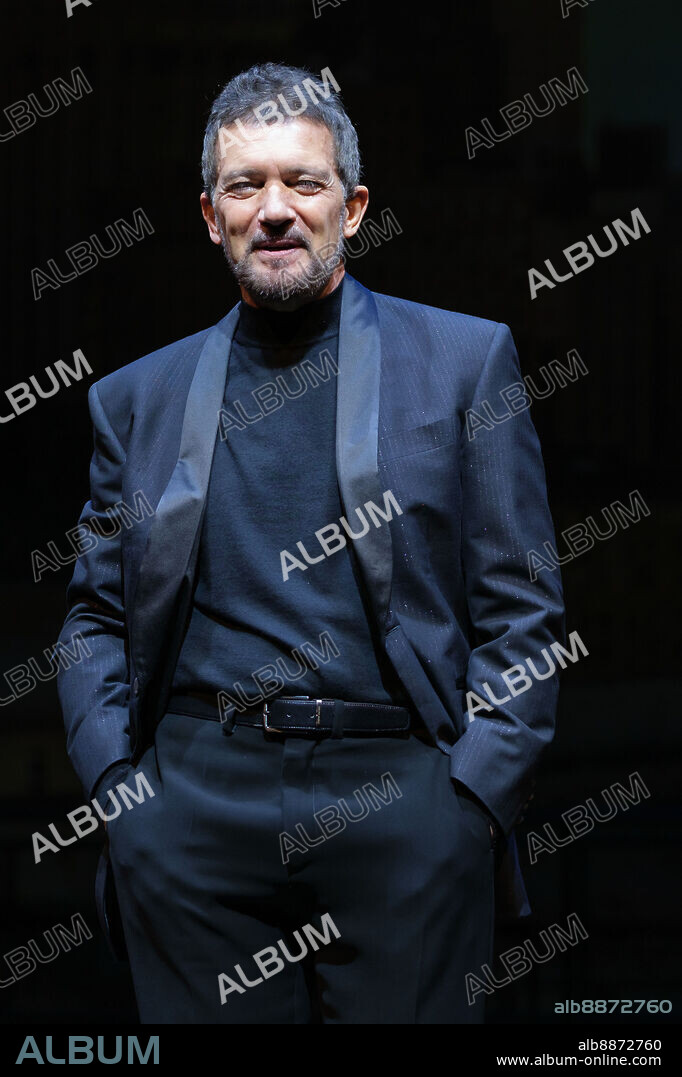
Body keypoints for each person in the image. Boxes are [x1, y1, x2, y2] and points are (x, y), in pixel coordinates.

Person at [58, 62, 565, 1024]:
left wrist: (467, 805)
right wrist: (124, 797)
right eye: (246, 186)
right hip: (193, 813)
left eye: (305, 181)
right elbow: (94, 615)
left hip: (405, 802)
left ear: (356, 205)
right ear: (211, 215)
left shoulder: (466, 362)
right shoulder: (135, 399)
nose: (276, 209)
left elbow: (525, 609)